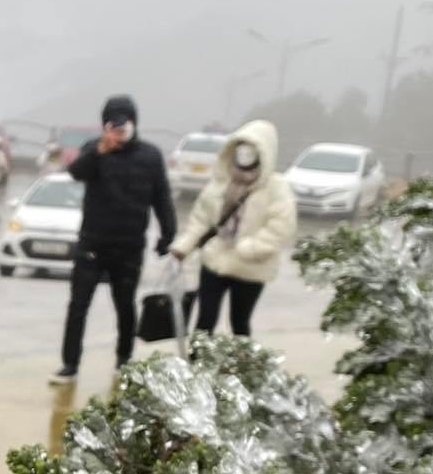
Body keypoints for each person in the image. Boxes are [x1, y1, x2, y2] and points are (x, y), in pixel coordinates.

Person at [57, 95, 175, 382]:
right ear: (104, 124)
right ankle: (70, 364)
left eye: (125, 121)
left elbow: (162, 197)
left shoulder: (150, 155)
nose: (119, 127)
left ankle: (124, 359)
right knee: (78, 305)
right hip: (92, 243)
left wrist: (168, 233)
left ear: (134, 122)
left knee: (125, 305)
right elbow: (75, 173)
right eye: (113, 121)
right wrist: (100, 150)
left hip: (130, 245)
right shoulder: (94, 150)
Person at [171, 119, 296, 338]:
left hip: (250, 267)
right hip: (214, 261)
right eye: (241, 150)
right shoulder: (221, 182)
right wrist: (183, 246)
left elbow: (280, 228)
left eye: (251, 151)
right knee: (204, 321)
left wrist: (250, 248)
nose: (244, 156)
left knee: (239, 323)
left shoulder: (276, 188)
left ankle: (241, 368)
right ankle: (196, 367)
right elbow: (201, 219)